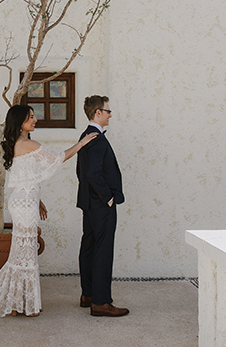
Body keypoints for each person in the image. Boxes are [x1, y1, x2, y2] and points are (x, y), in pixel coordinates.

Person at [0, 104, 97, 318]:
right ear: (20, 121)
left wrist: (38, 199)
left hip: (24, 200)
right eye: (30, 117)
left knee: (22, 254)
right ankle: (24, 305)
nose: (35, 120)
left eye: (34, 116)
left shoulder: (17, 143)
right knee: (26, 255)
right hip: (24, 203)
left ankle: (18, 304)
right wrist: (82, 143)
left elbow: (26, 176)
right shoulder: (27, 143)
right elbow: (59, 157)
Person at [76, 95, 129, 317]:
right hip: (100, 204)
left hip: (89, 203)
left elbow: (82, 172)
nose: (110, 115)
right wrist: (107, 197)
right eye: (108, 111)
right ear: (98, 112)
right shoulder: (96, 138)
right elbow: (92, 173)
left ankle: (88, 294)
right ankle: (100, 301)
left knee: (89, 247)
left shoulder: (86, 136)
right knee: (102, 251)